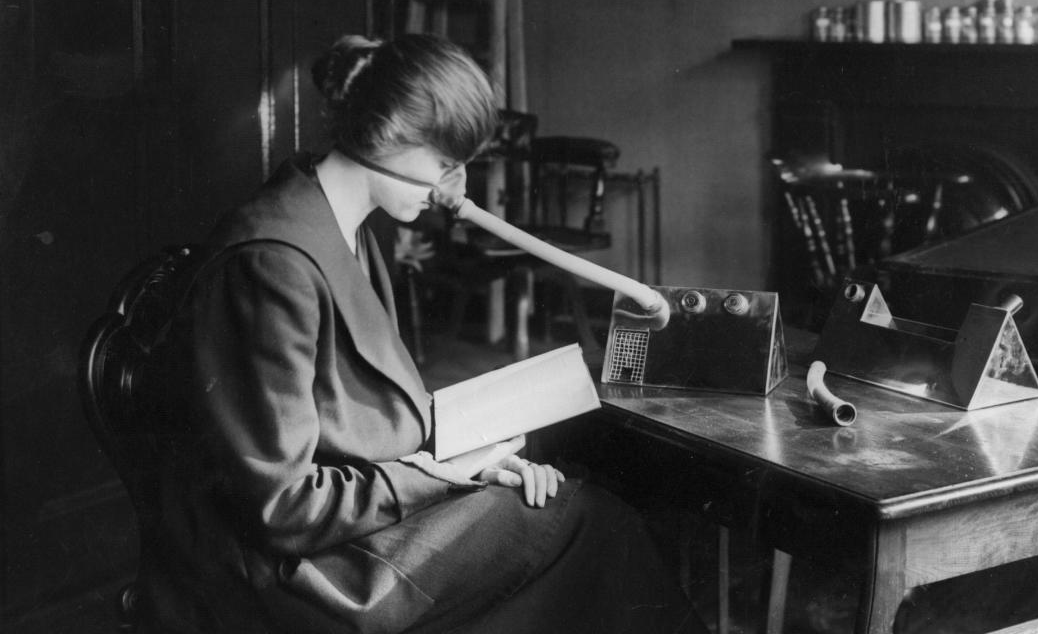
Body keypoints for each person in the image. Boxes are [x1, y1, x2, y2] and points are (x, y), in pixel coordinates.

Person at [145, 34, 707, 634]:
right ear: (384, 134)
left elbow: (362, 417)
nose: (454, 188)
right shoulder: (273, 262)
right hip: (296, 574)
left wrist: (479, 463)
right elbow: (280, 506)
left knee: (571, 515)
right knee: (592, 524)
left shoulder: (344, 223)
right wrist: (440, 476)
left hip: (352, 523)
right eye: (444, 164)